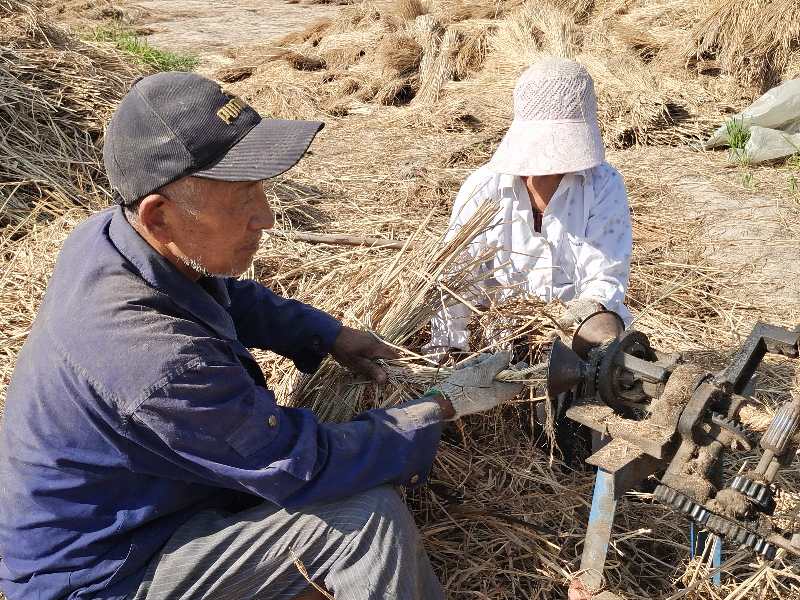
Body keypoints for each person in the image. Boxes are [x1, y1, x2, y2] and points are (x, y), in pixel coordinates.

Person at [0, 72, 522, 600]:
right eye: (241, 197)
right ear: (160, 216)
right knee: (365, 525)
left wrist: (326, 335)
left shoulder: (116, 240)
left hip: (144, 513)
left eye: (260, 188)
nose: (267, 217)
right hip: (106, 574)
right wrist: (439, 408)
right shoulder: (157, 360)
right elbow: (301, 464)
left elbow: (220, 293)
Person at [427, 57, 633, 357]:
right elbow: (456, 275)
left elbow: (605, 275)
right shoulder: (485, 188)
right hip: (499, 341)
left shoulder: (602, 185)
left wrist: (582, 315)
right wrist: (448, 348)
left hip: (581, 338)